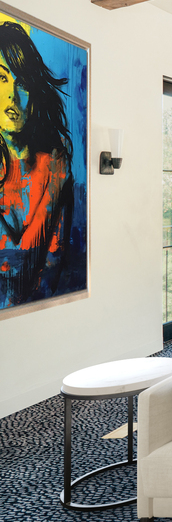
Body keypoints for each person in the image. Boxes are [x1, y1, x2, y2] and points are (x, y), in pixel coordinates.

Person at [0, 20, 74, 307]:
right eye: (1, 78)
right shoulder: (57, 169)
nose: (12, 98)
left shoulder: (52, 163)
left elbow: (53, 261)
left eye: (23, 84)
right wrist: (56, 184)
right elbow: (15, 267)